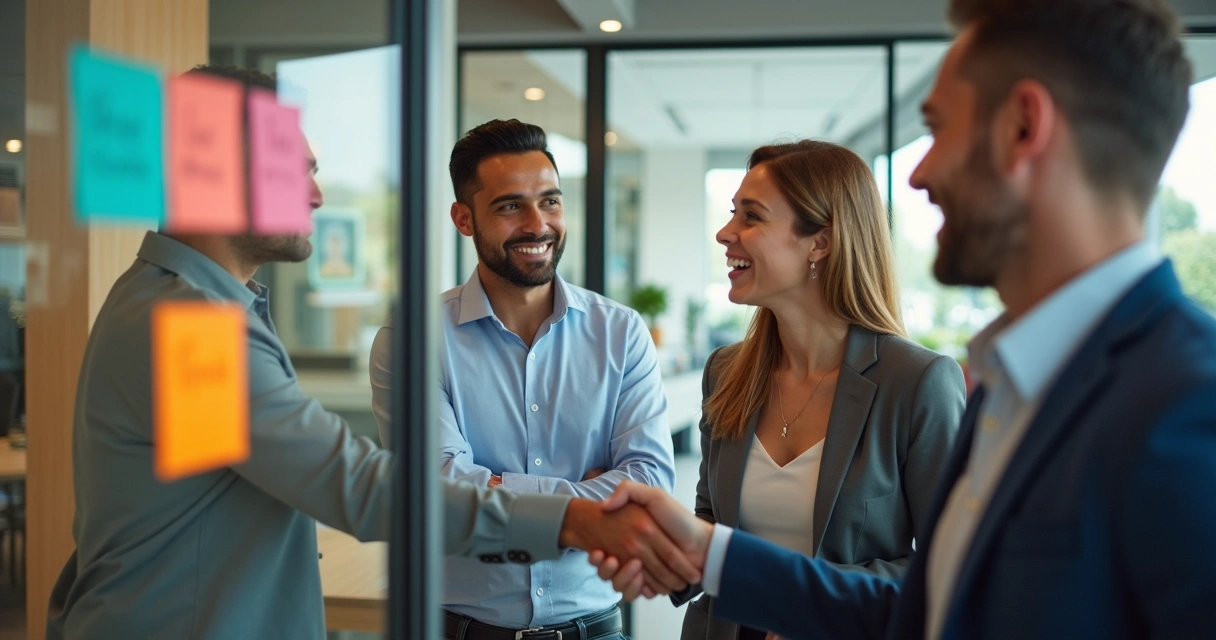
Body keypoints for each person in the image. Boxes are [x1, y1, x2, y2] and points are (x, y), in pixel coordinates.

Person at [591, 0, 1216, 638]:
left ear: (1024, 128)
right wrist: (705, 553)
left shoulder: (1190, 404)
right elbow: (936, 608)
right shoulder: (1012, 382)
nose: (918, 174)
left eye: (939, 129)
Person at [47, 68, 695, 640]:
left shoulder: (189, 307)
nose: (316, 196)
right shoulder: (186, 323)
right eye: (292, 169)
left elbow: (210, 499)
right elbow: (353, 485)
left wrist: (524, 497)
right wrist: (573, 518)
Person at [369, 118, 676, 640]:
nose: (538, 225)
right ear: (464, 219)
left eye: (550, 201)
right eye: (510, 206)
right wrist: (587, 499)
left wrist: (493, 488)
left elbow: (650, 482)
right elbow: (439, 493)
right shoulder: (412, 340)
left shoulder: (621, 333)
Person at [675, 141, 962, 640]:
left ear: (820, 243)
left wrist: (816, 606)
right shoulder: (725, 372)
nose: (725, 233)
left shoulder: (918, 383)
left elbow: (951, 567)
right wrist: (655, 540)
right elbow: (711, 522)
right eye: (732, 212)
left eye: (751, 216)